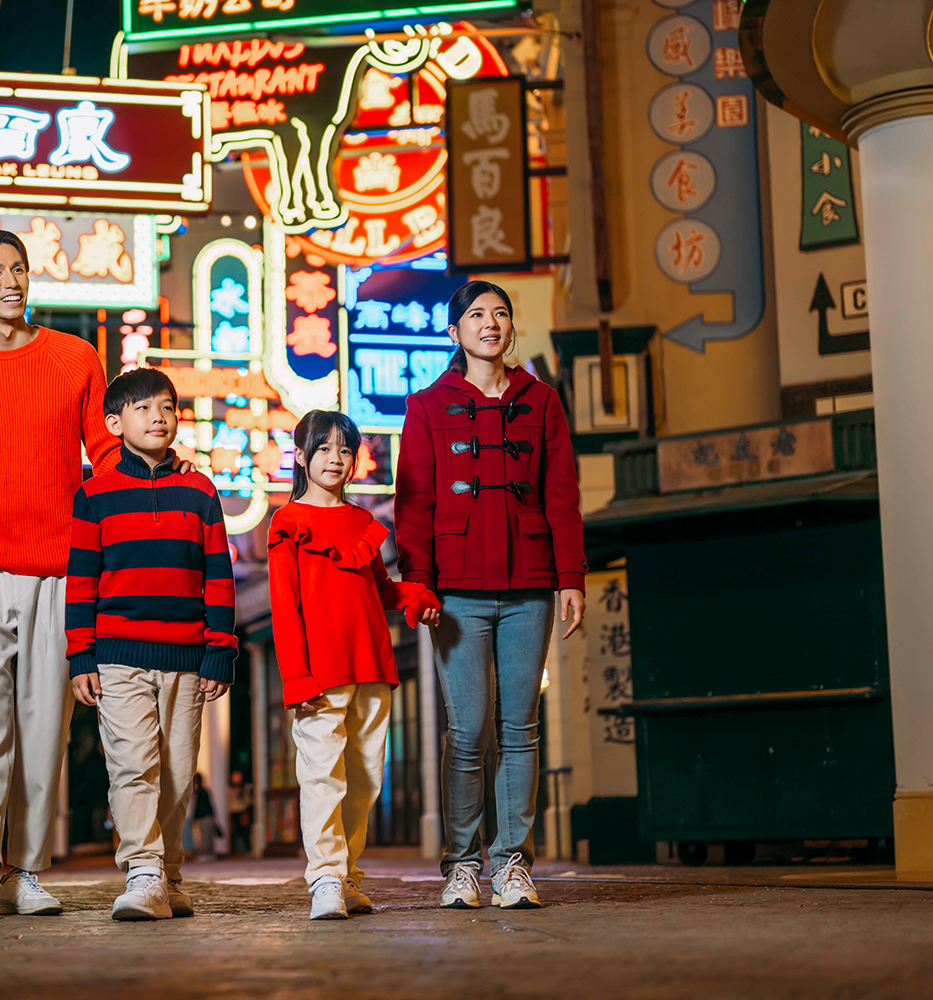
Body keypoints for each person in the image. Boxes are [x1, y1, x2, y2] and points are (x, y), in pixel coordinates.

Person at [0, 229, 119, 918]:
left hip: (60, 569)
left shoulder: (76, 358)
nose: (12, 280)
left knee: (46, 723)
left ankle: (27, 870)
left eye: (19, 268)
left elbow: (103, 451)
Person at [394, 280, 586, 911]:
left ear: (511, 328)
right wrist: (417, 585)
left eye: (500, 314)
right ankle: (463, 865)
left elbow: (561, 494)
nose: (490, 323)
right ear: (455, 332)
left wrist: (570, 579)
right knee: (468, 730)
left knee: (521, 727)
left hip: (530, 585)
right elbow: (414, 505)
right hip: (456, 594)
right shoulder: (425, 407)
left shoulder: (541, 401)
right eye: (476, 315)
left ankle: (511, 863)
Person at [66, 366, 236, 921]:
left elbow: (218, 575)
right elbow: (82, 580)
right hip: (117, 654)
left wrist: (220, 648)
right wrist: (79, 653)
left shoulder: (200, 490)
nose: (158, 416)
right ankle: (142, 870)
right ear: (114, 423)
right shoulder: (93, 495)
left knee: (179, 771)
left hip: (187, 654)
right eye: (142, 408)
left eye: (166, 406)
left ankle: (168, 872)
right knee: (132, 764)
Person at [268, 410, 439, 920]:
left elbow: (379, 591)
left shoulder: (363, 523)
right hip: (319, 675)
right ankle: (324, 879)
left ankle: (346, 876)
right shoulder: (287, 522)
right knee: (323, 778)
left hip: (373, 667)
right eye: (323, 449)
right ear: (301, 456)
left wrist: (415, 595)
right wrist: (297, 678)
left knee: (365, 780)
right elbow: (284, 608)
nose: (335, 459)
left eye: (345, 449)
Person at [191, 773, 218, 862]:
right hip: (205, 816)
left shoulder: (201, 792)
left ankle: (206, 854)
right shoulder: (202, 791)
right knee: (204, 836)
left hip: (204, 816)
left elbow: (203, 806)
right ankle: (206, 854)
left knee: (205, 837)